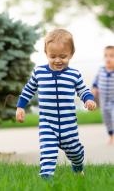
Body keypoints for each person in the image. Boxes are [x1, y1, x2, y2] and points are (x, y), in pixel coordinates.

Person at [15, 29, 96, 180]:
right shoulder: (39, 73)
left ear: (71, 54)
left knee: (75, 152)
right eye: (53, 56)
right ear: (46, 53)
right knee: (48, 151)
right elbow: (27, 90)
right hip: (47, 123)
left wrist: (88, 99)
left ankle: (78, 167)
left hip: (68, 125)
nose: (57, 60)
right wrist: (20, 107)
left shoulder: (74, 74)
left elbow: (83, 90)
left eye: (63, 56)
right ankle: (46, 178)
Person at [92, 46, 114, 145]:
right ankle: (111, 136)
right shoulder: (101, 70)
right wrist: (94, 89)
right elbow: (95, 81)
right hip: (103, 100)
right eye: (106, 56)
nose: (108, 58)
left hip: (113, 100)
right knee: (107, 119)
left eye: (112, 56)